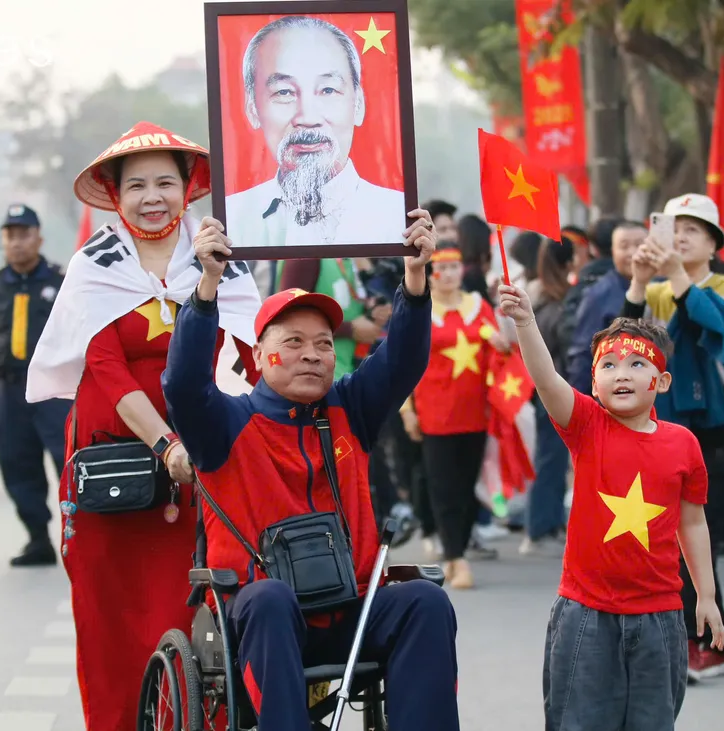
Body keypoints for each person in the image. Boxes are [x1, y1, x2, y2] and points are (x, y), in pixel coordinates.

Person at [164, 206, 460, 731]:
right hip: (264, 619)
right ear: (259, 356)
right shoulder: (224, 424)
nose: (312, 355)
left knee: (424, 601)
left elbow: (403, 361)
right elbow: (184, 385)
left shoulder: (350, 410)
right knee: (270, 598)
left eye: (324, 344)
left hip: (351, 609)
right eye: (293, 343)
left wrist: (415, 278)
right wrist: (207, 285)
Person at [26, 122, 260, 731]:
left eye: (165, 182)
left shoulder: (221, 261)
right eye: (136, 185)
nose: (151, 196)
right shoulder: (93, 266)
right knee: (109, 626)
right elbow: (103, 368)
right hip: (115, 473)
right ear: (115, 194)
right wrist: (165, 443)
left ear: (188, 189)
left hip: (204, 471)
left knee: (196, 623)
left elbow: (254, 355)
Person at [498, 282, 724, 729]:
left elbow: (693, 522)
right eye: (609, 365)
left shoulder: (684, 445)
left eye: (637, 364)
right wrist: (526, 322)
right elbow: (546, 379)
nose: (621, 374)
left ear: (660, 382)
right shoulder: (586, 425)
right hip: (585, 614)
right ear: (594, 383)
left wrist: (707, 594)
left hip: (659, 616)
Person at [621, 193, 724, 679]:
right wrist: (638, 280)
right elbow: (625, 336)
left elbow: (718, 329)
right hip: (672, 430)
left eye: (693, 230)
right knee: (678, 540)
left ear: (714, 244)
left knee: (694, 537)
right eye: (674, 227)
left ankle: (702, 643)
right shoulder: (656, 290)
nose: (680, 236)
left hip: (721, 432)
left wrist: (676, 274)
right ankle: (712, 642)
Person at [225, 15, 405, 249]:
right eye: (284, 92)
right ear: (252, 109)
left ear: (358, 105)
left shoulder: (398, 218)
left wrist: (415, 274)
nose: (307, 119)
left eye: (328, 90)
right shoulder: (230, 222)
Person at [400, 242, 505, 587]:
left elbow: (500, 352)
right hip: (434, 416)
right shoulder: (422, 309)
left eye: (455, 267)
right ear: (431, 273)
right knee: (442, 487)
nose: (448, 274)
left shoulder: (479, 307)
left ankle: (456, 547)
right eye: (441, 268)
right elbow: (404, 361)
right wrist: (406, 410)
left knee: (465, 487)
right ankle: (455, 557)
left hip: (474, 413)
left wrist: (505, 344)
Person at [0, 203, 70, 566]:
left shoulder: (58, 282)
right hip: (9, 388)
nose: (17, 243)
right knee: (16, 463)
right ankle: (37, 539)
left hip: (53, 388)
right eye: (10, 236)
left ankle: (76, 537)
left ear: (39, 238)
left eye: (24, 235)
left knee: (65, 460)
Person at [520, 235, 575, 557]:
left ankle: (547, 522)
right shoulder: (556, 300)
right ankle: (539, 526)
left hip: (544, 386)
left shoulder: (538, 295)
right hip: (556, 386)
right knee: (550, 458)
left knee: (550, 457)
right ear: (567, 263)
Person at [565, 220, 646, 390]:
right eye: (624, 246)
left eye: (639, 245)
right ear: (613, 252)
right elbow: (583, 354)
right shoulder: (597, 295)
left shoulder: (666, 287)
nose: (632, 252)